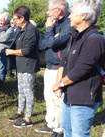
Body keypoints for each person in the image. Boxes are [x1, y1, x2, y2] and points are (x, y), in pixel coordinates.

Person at [53, 0, 104, 136]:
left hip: (84, 98)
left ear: (84, 15)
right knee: (67, 130)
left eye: (73, 13)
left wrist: (60, 83)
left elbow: (81, 69)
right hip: (70, 95)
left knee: (79, 134)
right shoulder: (75, 37)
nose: (69, 16)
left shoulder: (95, 40)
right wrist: (59, 85)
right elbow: (63, 62)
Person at [34, 0, 75, 136]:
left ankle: (59, 128)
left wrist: (49, 30)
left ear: (58, 10)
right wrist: (52, 36)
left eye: (50, 9)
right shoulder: (54, 24)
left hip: (60, 67)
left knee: (58, 98)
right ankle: (51, 123)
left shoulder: (69, 24)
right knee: (48, 96)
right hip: (49, 65)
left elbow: (52, 41)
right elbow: (44, 43)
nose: (48, 12)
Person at [6, 6, 40, 127]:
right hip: (21, 65)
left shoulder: (31, 30)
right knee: (21, 90)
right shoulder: (21, 29)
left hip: (29, 65)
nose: (14, 21)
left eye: (16, 18)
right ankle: (20, 111)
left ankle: (28, 118)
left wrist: (11, 52)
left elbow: (26, 50)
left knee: (28, 91)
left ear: (22, 18)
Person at [0, 12, 15, 95]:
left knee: (1, 72)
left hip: (3, 54)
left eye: (3, 20)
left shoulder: (10, 29)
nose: (1, 22)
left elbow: (4, 38)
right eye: (0, 20)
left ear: (7, 20)